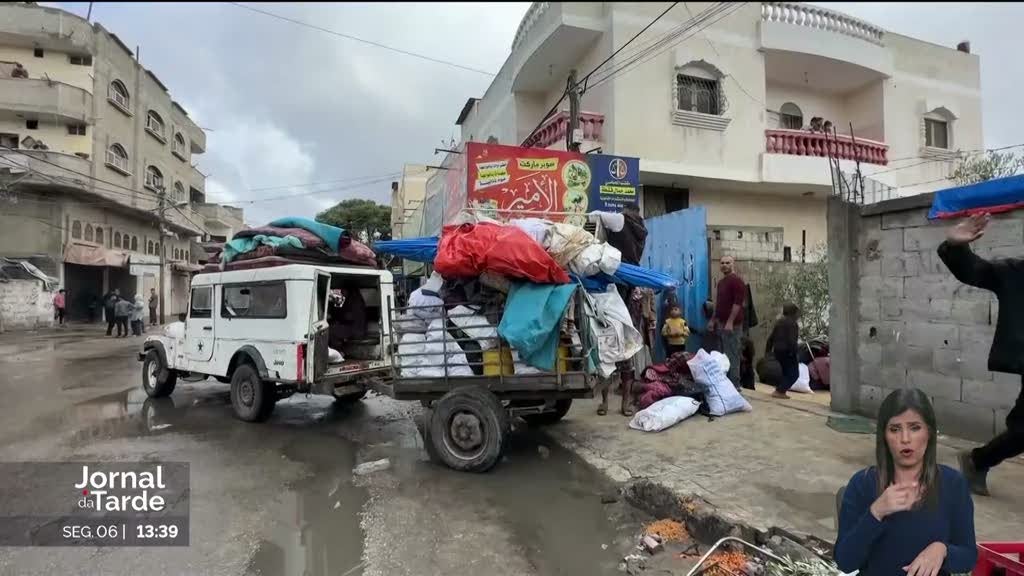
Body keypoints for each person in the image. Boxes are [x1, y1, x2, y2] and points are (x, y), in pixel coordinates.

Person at [835, 388, 977, 576]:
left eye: (915, 428)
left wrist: (942, 550)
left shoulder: (952, 484)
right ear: (884, 436)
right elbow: (845, 562)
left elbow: (969, 556)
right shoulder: (862, 484)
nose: (905, 439)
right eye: (895, 429)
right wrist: (875, 513)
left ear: (930, 433)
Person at [938, 212, 1024, 496]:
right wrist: (956, 246)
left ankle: (978, 460)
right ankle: (977, 460)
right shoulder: (1015, 273)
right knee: (1022, 432)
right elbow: (976, 270)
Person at [709, 256, 746, 389]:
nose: (724, 265)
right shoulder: (721, 282)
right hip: (721, 323)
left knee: (732, 355)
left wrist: (730, 322)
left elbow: (738, 303)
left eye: (727, 263)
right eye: (722, 263)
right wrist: (713, 320)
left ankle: (734, 385)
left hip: (732, 326)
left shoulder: (737, 281)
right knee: (723, 355)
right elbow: (719, 304)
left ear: (733, 264)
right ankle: (726, 385)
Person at [767, 303, 801, 399]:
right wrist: (795, 353)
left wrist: (768, 351)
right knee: (794, 374)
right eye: (797, 313)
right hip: (788, 352)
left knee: (786, 373)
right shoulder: (793, 324)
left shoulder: (779, 322)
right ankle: (779, 391)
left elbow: (771, 338)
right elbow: (792, 340)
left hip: (778, 351)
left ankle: (781, 390)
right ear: (793, 313)